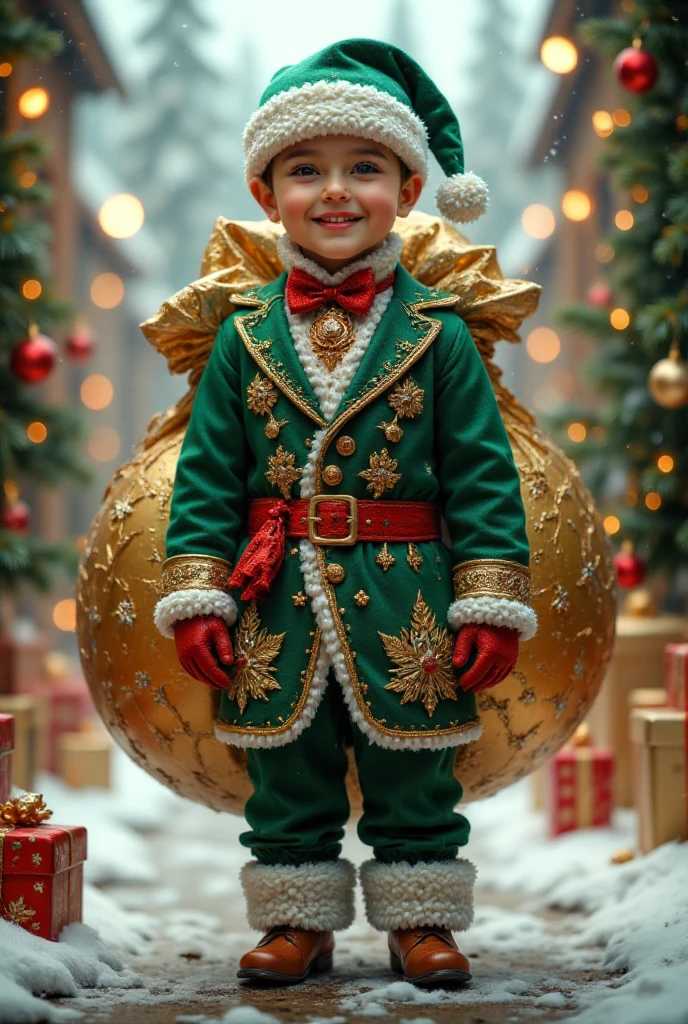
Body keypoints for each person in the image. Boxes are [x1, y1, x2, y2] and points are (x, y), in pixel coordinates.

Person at [153, 38, 537, 988]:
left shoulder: (438, 335)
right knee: (287, 776)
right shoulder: (242, 337)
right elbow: (206, 476)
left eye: (364, 168)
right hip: (273, 597)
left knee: (416, 772)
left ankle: (421, 921)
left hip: (409, 594)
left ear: (408, 191)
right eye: (305, 170)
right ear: (265, 192)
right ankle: (297, 921)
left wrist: (487, 599)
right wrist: (199, 593)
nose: (334, 191)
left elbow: (482, 477)